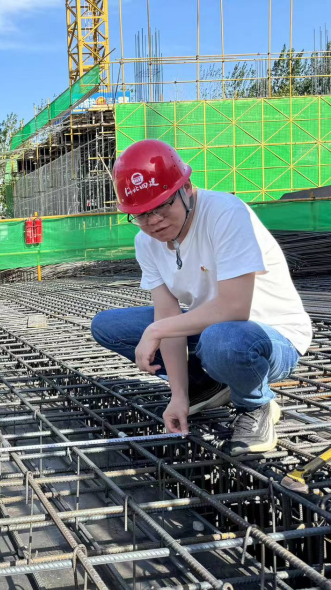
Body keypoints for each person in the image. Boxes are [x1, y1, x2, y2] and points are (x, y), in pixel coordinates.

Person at [91, 140, 312, 456]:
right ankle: (206, 386)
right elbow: (167, 315)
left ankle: (256, 405)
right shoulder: (147, 242)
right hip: (216, 333)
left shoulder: (225, 213)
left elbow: (235, 308)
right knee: (109, 326)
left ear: (186, 188)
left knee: (221, 340)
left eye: (162, 206)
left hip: (268, 337)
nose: (153, 221)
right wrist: (179, 395)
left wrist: (157, 330)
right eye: (141, 214)